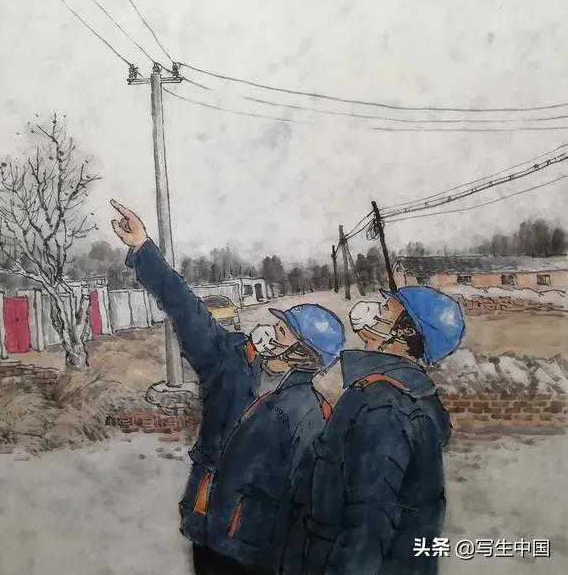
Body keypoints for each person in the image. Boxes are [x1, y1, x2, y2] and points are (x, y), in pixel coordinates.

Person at [109, 200, 345, 575]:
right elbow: (185, 308)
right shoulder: (230, 359)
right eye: (276, 325)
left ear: (304, 355)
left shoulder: (311, 413)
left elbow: (313, 500)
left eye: (282, 332)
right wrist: (142, 248)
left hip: (260, 549)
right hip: (206, 525)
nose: (268, 332)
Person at [281, 286, 465, 575]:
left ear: (404, 333)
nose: (372, 310)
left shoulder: (383, 405)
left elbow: (368, 525)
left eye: (384, 309)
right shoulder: (392, 395)